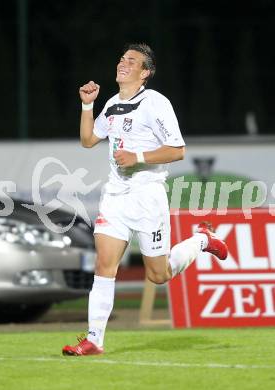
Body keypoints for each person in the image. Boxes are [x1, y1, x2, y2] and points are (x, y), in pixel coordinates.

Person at [62, 43, 228, 356]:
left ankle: (202, 241)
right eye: (122, 59)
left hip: (147, 196)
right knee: (104, 265)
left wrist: (137, 156)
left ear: (145, 73)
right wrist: (87, 106)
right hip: (115, 196)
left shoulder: (154, 103)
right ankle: (95, 339)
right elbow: (88, 141)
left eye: (132, 61)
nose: (123, 64)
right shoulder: (110, 103)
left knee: (158, 274)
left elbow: (177, 150)